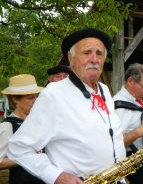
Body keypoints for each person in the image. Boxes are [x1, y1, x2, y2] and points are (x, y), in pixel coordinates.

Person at [7, 28, 126, 184]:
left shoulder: (104, 89)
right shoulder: (54, 94)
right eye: (87, 52)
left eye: (99, 53)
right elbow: (18, 148)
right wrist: (57, 176)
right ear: (71, 59)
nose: (94, 59)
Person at [0, 74, 44, 184]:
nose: (35, 100)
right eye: (30, 98)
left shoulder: (39, 121)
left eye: (36, 96)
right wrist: (25, 159)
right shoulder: (8, 126)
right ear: (15, 99)